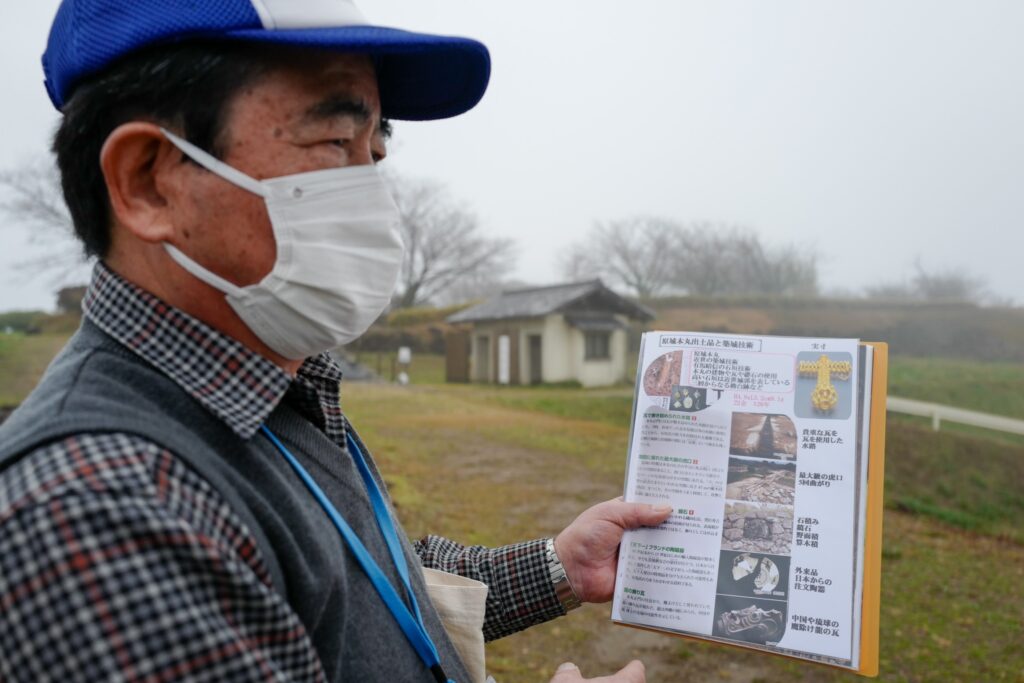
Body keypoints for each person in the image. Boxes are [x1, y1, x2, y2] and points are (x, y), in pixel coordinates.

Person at [0, 2, 672, 681]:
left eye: (373, 153)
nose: (372, 195)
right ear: (148, 181)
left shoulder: (267, 381)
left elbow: (356, 586)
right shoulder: (97, 513)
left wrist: (557, 565)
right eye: (333, 145)